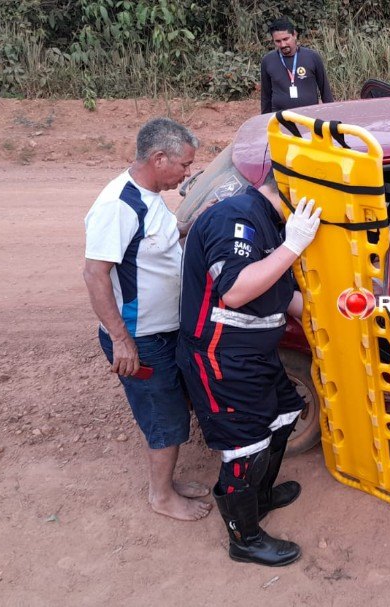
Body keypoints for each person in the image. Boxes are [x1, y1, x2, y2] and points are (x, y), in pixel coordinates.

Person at [175, 170, 321, 566]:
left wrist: (332, 315)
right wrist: (293, 246)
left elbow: (278, 289)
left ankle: (260, 496)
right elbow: (237, 290)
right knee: (244, 449)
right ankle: (244, 538)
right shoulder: (236, 217)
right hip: (222, 359)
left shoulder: (267, 220)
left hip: (252, 354)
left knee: (286, 413)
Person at [83, 117, 211, 521]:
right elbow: (95, 273)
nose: (187, 173)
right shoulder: (117, 206)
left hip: (165, 330)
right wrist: (122, 339)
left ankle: (169, 482)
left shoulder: (151, 194)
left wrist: (203, 223)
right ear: (159, 159)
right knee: (164, 415)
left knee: (174, 403)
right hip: (141, 337)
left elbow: (164, 238)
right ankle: (161, 496)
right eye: (184, 165)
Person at [260, 18, 334, 115]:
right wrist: (265, 121)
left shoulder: (312, 57)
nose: (283, 44)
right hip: (280, 119)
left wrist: (332, 116)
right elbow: (266, 96)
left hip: (310, 117)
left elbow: (325, 91)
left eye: (286, 39)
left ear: (294, 35)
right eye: (278, 41)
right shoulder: (268, 60)